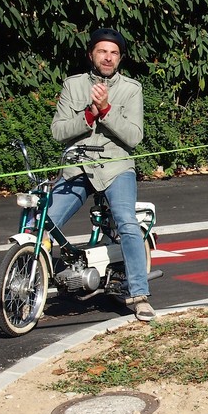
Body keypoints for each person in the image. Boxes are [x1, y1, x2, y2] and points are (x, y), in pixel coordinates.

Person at [49, 28, 155, 321]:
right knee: (45, 222)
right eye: (102, 51)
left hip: (115, 167)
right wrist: (88, 116)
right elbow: (58, 131)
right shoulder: (73, 86)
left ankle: (139, 294)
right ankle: (38, 282)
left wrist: (106, 110)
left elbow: (134, 137)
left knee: (127, 224)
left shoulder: (131, 89)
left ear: (120, 58)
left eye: (114, 53)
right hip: (78, 167)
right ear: (91, 54)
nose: (108, 58)